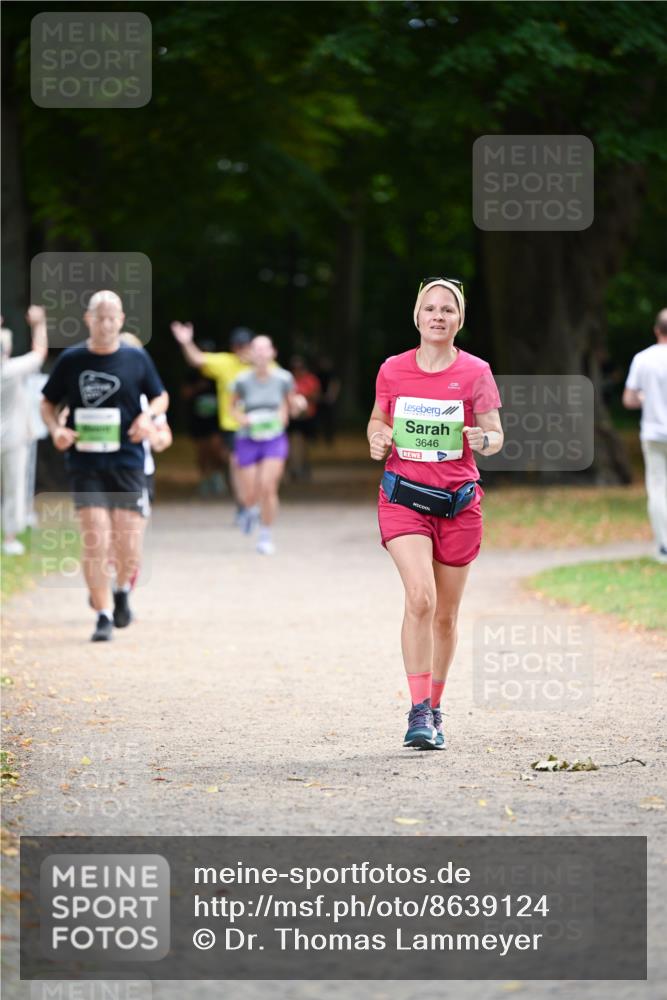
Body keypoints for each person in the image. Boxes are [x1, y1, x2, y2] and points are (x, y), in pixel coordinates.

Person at [367, 277, 503, 750]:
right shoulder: (393, 370)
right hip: (404, 499)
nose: (438, 316)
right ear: (418, 317)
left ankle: (437, 706)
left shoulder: (476, 372)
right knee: (420, 599)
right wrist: (377, 438)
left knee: (445, 616)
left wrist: (483, 441)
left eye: (448, 309)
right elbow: (378, 419)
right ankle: (418, 711)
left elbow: (495, 434)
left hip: (457, 505)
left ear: (459, 319)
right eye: (430, 309)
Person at [40, 291, 168, 642]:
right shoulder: (72, 359)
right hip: (86, 463)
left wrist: (148, 417)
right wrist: (57, 430)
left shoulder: (136, 359)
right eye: (100, 317)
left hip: (127, 461)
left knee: (129, 544)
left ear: (122, 320)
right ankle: (102, 614)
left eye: (113, 318)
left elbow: (160, 395)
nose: (107, 324)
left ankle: (123, 590)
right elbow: (47, 403)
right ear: (88, 319)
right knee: (96, 538)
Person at [171, 322, 253, 518]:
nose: (241, 349)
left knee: (256, 467)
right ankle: (243, 504)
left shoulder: (263, 363)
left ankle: (253, 499)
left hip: (260, 425)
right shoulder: (226, 362)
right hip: (234, 424)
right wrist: (186, 342)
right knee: (237, 462)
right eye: (237, 345)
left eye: (244, 345)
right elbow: (197, 359)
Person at [230, 335, 295, 555]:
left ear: (272, 353)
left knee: (267, 487)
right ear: (250, 353)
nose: (260, 354)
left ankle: (265, 535)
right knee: (249, 492)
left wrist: (284, 414)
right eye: (255, 349)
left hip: (273, 438)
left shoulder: (284, 378)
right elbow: (232, 408)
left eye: (264, 349)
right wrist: (243, 419)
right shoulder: (241, 380)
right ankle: (250, 509)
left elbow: (289, 405)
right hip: (248, 437)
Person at [1, 307, 48, 555]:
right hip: (13, 438)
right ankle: (9, 538)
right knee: (14, 487)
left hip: (12, 436)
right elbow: (39, 353)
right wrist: (39, 325)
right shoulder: (10, 370)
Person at [623, 308, 667, 564]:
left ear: (656, 330)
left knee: (658, 488)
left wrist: (643, 398)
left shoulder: (643, 359)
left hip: (653, 433)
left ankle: (663, 546)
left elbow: (629, 399)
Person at [180, 340, 226, 497]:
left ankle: (218, 475)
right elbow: (184, 394)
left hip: (217, 419)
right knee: (202, 451)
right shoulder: (192, 374)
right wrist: (197, 388)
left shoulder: (219, 373)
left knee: (217, 448)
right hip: (197, 419)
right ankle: (205, 478)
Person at [287, 355, 321, 480]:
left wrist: (303, 398)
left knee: (305, 444)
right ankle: (294, 469)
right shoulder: (288, 380)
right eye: (294, 368)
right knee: (294, 442)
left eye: (299, 368)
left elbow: (317, 396)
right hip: (293, 417)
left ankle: (304, 466)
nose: (297, 371)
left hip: (307, 416)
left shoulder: (311, 380)